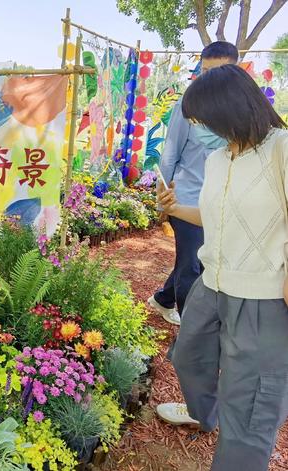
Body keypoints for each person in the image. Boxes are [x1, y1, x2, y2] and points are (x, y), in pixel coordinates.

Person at [158, 64, 288, 470]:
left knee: (249, 408)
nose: (197, 129)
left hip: (263, 298)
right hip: (211, 284)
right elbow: (217, 216)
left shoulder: (281, 148)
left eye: (201, 121)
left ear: (229, 110)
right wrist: (177, 208)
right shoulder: (218, 159)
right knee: (187, 356)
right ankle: (205, 414)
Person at [148, 42, 239, 327]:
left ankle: (163, 298)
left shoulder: (238, 110)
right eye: (206, 71)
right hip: (186, 199)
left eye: (221, 71)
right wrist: (162, 196)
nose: (211, 79)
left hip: (221, 202)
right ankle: (191, 328)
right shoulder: (186, 105)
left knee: (199, 260)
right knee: (191, 265)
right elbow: (170, 152)